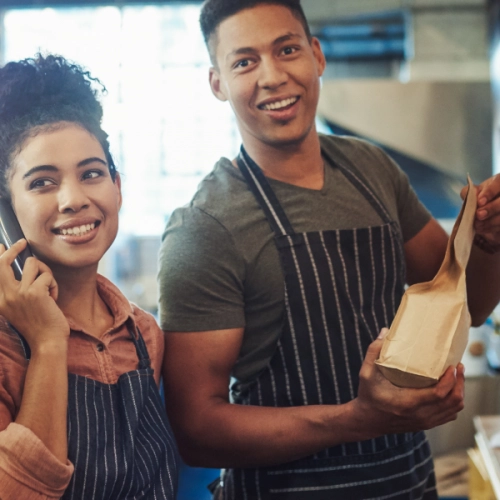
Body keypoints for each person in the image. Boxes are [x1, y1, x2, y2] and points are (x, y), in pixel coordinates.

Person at [158, 0, 500, 498]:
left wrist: (490, 242)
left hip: (406, 483)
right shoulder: (205, 227)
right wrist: (358, 420)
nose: (272, 76)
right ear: (218, 84)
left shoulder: (371, 169)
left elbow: (469, 303)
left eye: (287, 49)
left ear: (316, 55)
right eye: (244, 62)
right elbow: (196, 432)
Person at [0, 54, 179, 499]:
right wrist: (46, 342)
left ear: (117, 187)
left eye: (92, 174)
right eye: (42, 182)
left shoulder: (144, 334)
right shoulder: (4, 344)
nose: (74, 199)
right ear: (6, 211)